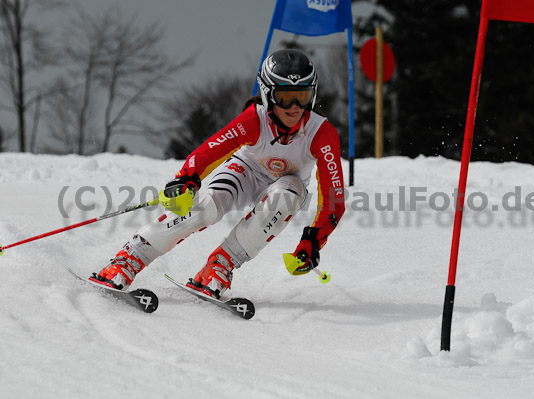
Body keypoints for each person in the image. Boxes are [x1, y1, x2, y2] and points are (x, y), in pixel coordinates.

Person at [89, 49, 346, 299]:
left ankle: (219, 267)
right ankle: (130, 257)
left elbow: (334, 200)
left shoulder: (321, 133)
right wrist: (186, 179)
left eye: (302, 96)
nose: (294, 107)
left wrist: (313, 240)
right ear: (268, 94)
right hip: (246, 172)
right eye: (284, 97)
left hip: (286, 184)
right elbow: (211, 149)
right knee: (208, 206)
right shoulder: (255, 119)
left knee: (287, 198)